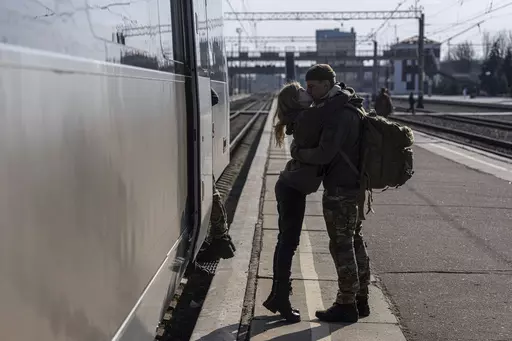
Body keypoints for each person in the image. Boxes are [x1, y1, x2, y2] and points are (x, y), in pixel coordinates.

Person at [291, 64, 371, 323]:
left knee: (341, 244)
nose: (309, 91)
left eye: (312, 86)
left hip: (340, 190)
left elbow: (325, 153)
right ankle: (361, 298)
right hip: (354, 186)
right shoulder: (350, 106)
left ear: (327, 84)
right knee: (354, 240)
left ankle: (346, 303)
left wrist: (298, 153)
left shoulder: (337, 115)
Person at [195, 88, 236, 263]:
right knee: (210, 192)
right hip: (201, 139)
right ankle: (221, 238)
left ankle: (220, 238)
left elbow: (213, 96)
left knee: (210, 193)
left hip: (200, 142)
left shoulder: (203, 88)